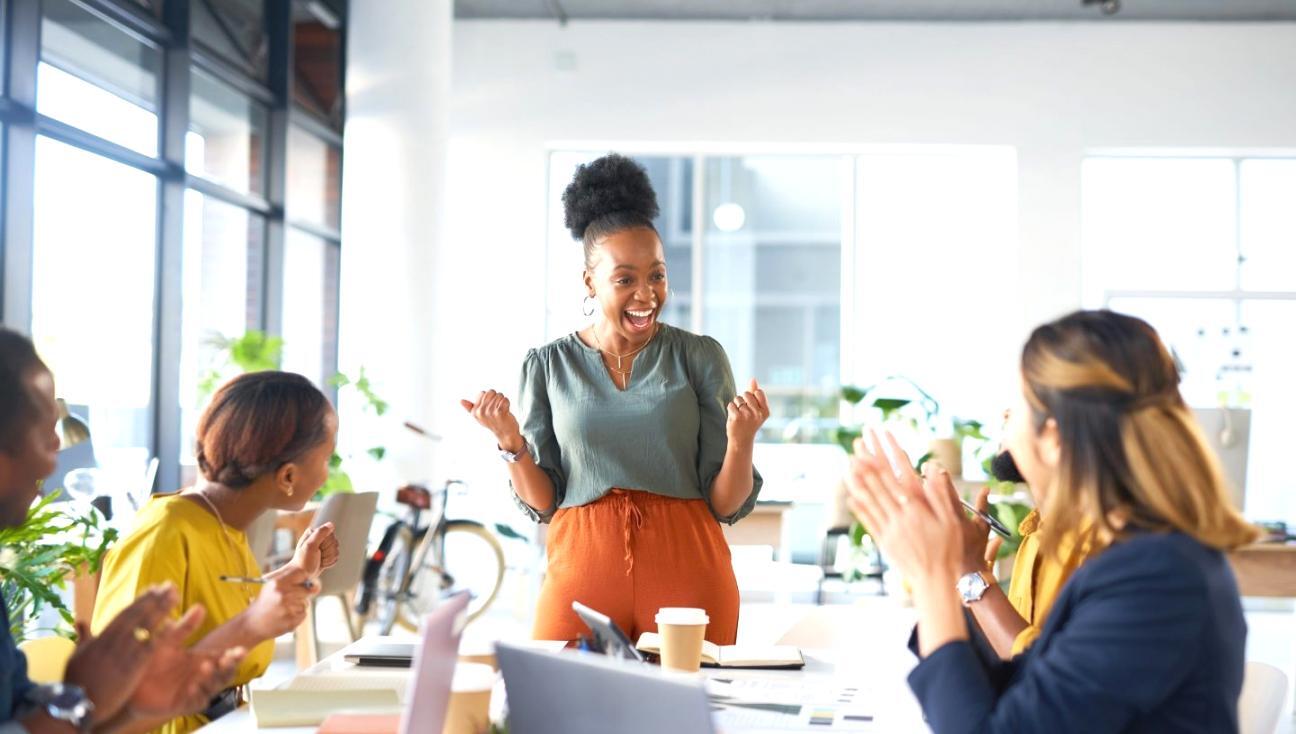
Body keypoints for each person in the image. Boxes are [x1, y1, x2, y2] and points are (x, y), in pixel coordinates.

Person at [847, 309, 1258, 733]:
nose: (1004, 417)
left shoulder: (1157, 577)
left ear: (1056, 439)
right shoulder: (1139, 558)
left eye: (1020, 405)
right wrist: (952, 571)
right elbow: (1022, 693)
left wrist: (932, 575)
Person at [462, 153, 767, 644]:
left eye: (657, 275)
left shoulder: (700, 357)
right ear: (590, 282)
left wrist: (742, 440)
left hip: (688, 572)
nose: (646, 294)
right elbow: (544, 502)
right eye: (625, 279)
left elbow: (726, 504)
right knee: (555, 712)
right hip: (581, 571)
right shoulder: (546, 365)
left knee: (682, 716)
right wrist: (510, 442)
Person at [0, 327, 243, 734]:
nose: (50, 465)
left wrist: (141, 707)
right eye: (45, 440)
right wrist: (81, 695)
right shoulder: (170, 524)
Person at [93, 371, 340, 734]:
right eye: (327, 459)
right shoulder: (165, 533)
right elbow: (119, 698)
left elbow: (214, 608)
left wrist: (293, 573)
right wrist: (253, 625)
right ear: (288, 476)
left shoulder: (221, 523)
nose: (327, 473)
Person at [952, 447, 1092, 658]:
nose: (1003, 419)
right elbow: (1005, 659)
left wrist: (973, 575)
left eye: (1012, 413)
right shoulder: (1033, 537)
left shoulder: (1101, 543)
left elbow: (1052, 677)